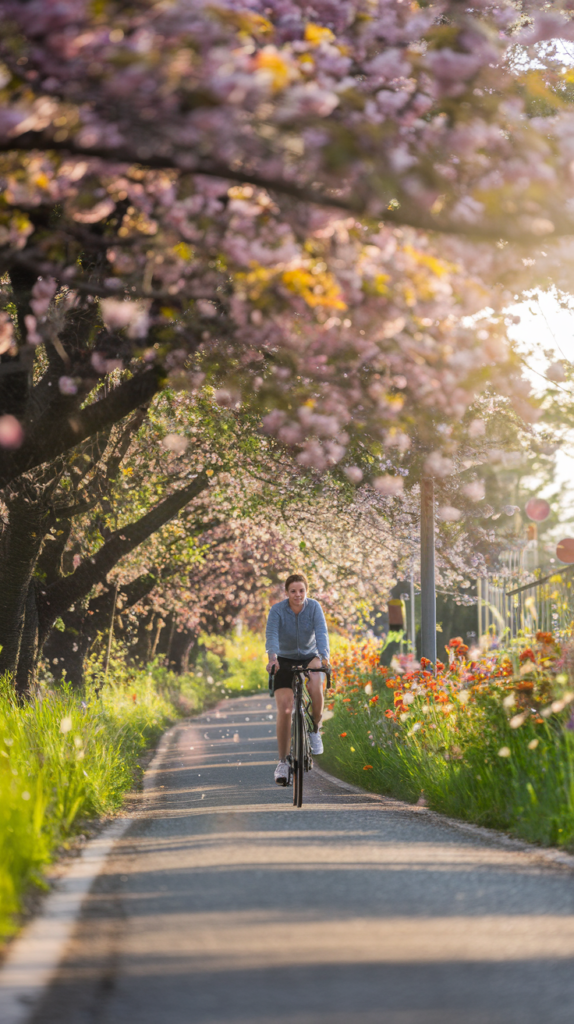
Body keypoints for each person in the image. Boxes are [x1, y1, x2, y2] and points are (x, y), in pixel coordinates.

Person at [265, 573, 330, 785]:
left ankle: (314, 729)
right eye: (293, 591)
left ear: (306, 591)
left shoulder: (314, 608)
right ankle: (282, 762)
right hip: (284, 659)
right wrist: (273, 658)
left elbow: (321, 632)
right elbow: (272, 635)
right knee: (285, 707)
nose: (297, 595)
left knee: (316, 685)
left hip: (310, 656)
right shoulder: (277, 610)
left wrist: (325, 657)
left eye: (301, 590)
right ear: (286, 593)